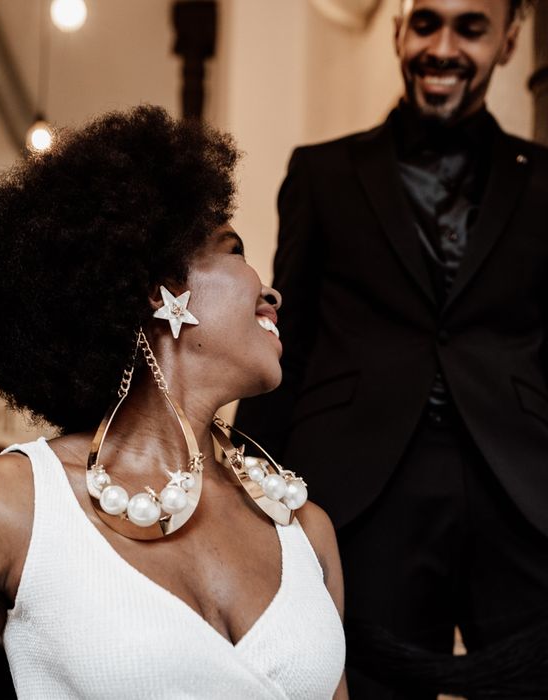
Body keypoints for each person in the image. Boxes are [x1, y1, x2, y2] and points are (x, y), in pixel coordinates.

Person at [0, 106, 347, 699]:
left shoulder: (306, 529)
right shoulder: (4, 510)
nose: (270, 289)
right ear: (153, 289)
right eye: (233, 250)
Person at [234, 0, 548, 697]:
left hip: (523, 484)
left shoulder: (546, 179)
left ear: (509, 40)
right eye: (427, 23)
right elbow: (288, 342)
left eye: (471, 27)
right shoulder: (322, 172)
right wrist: (247, 491)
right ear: (399, 32)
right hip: (359, 484)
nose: (443, 47)